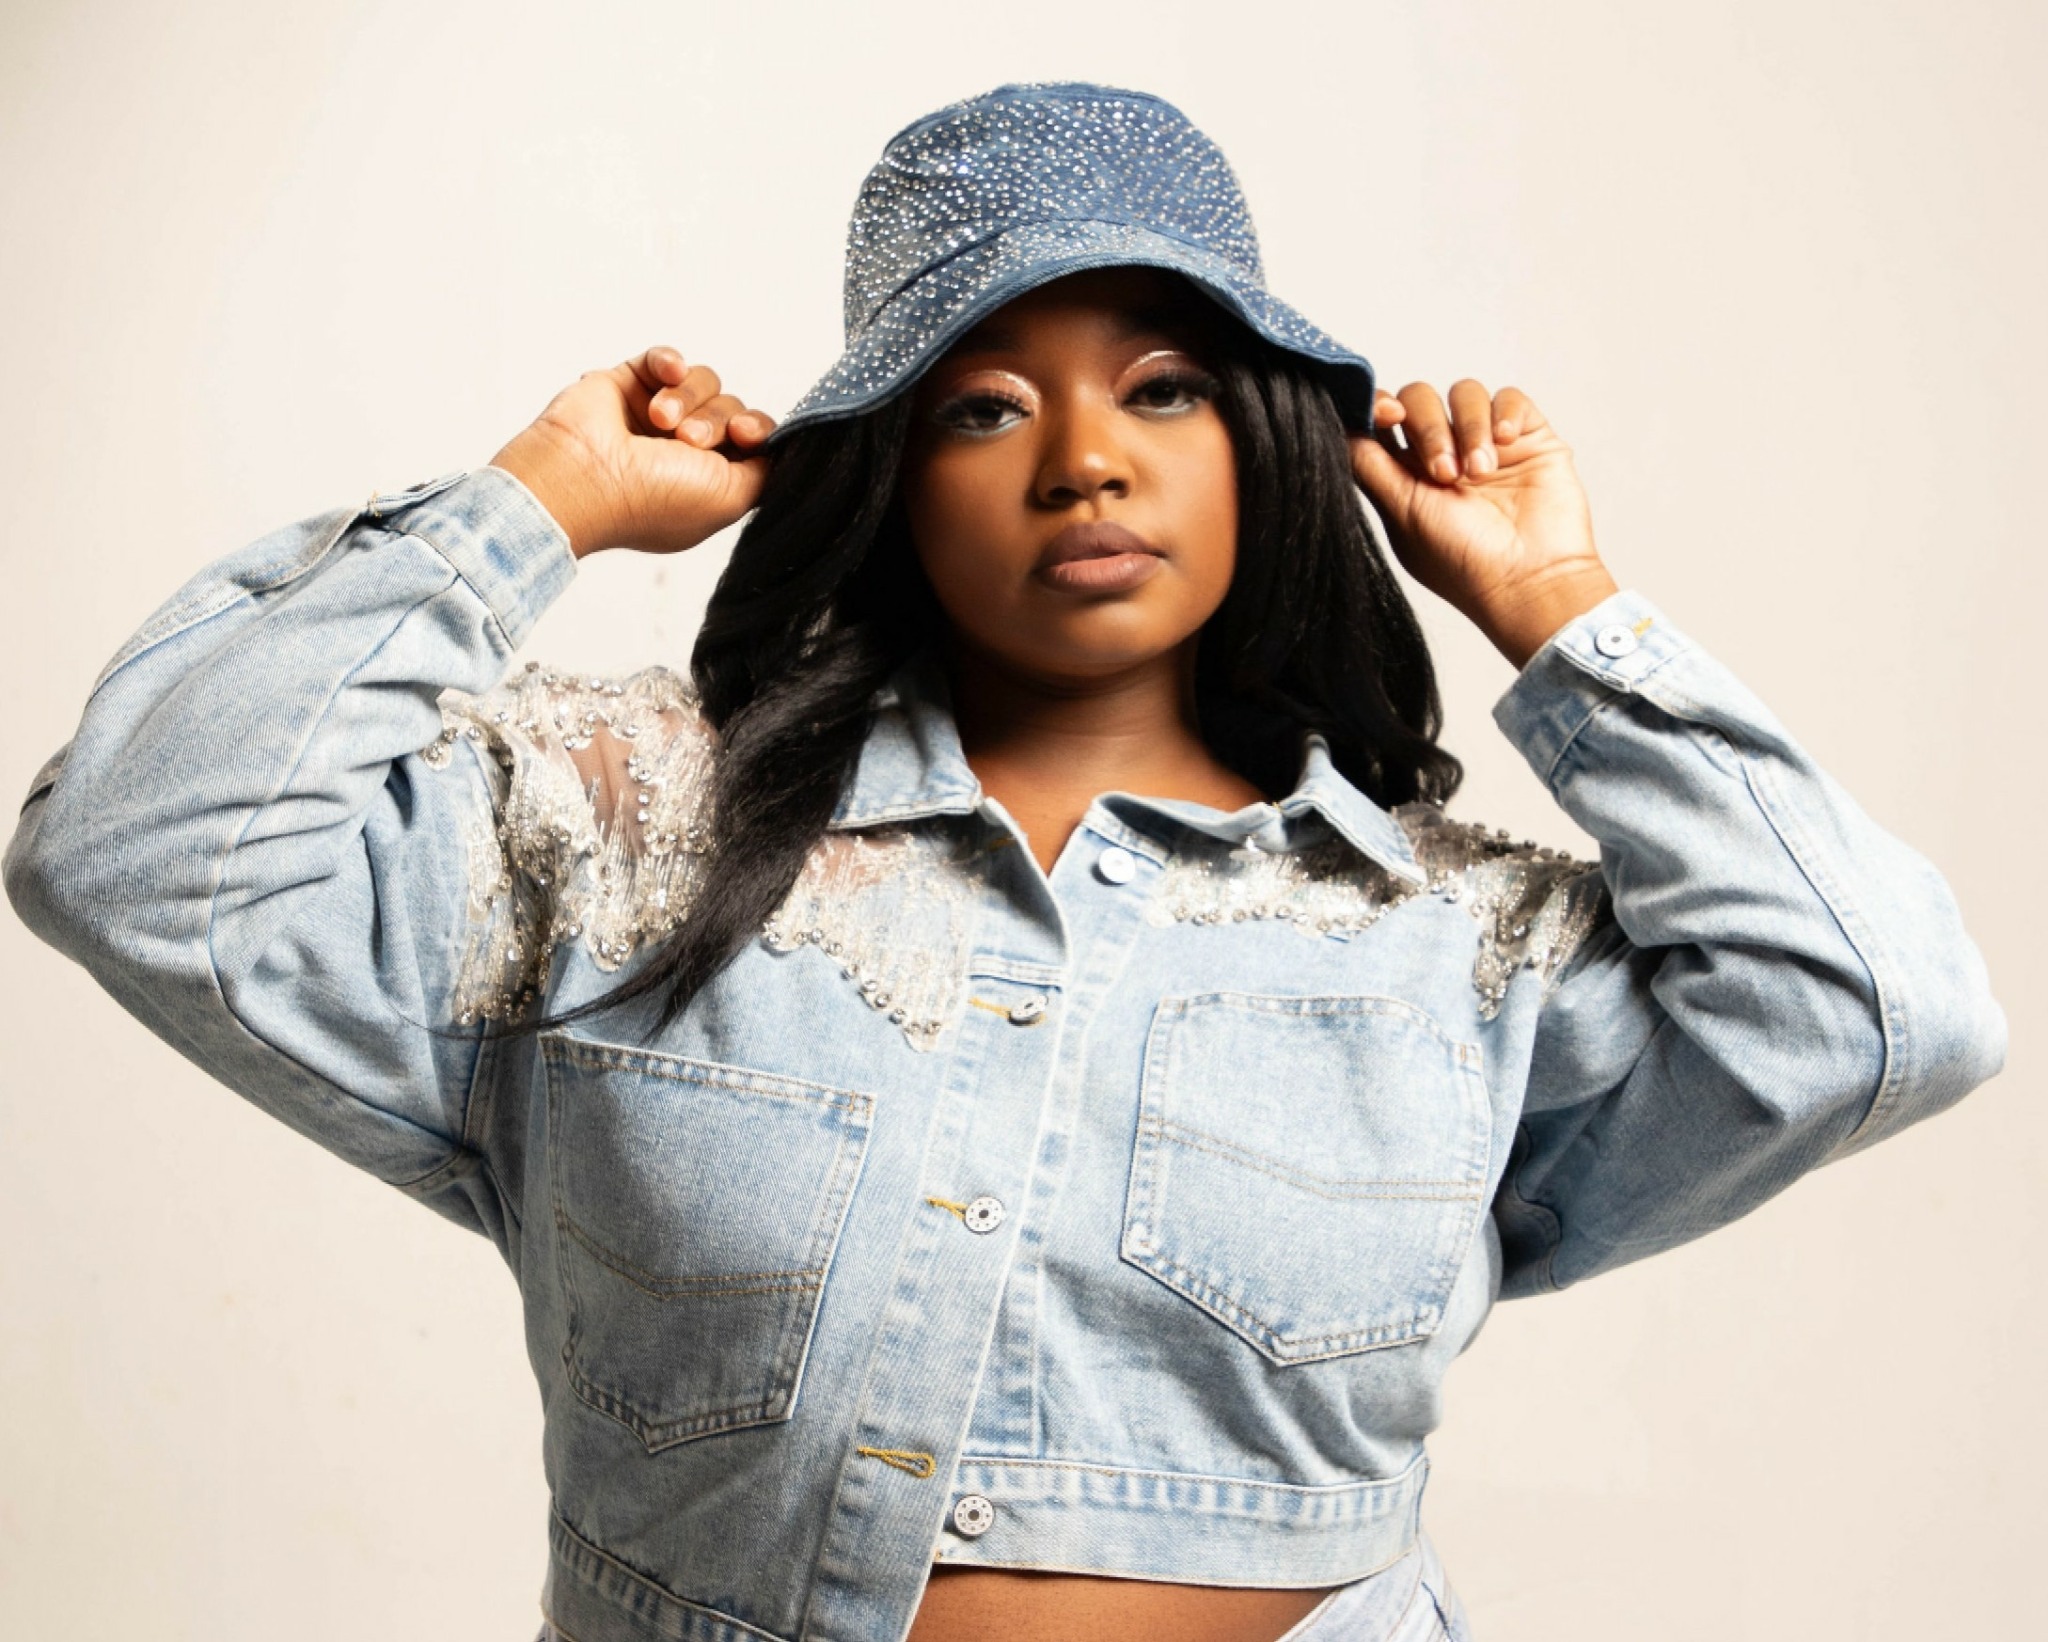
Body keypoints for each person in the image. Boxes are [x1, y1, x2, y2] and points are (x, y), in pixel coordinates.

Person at [3, 80, 2005, 1642]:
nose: (1084, 460)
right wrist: (540, 499)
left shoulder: (1447, 939)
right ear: (891, 476)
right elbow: (133, 847)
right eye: (982, 405)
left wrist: (1559, 608)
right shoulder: (611, 836)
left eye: (1163, 387)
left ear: (1263, 442)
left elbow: (1877, 1013)